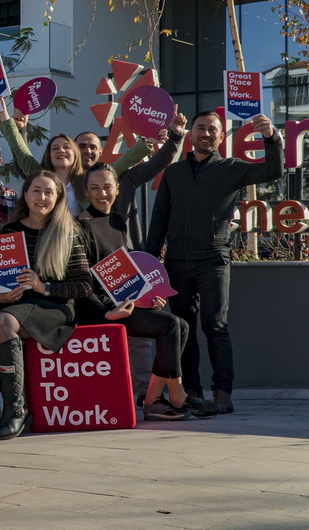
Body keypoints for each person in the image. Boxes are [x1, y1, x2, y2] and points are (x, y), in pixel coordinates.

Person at [145, 110, 284, 414]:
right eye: (201, 128)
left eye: (213, 130)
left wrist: (271, 138)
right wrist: (147, 264)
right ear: (191, 134)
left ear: (222, 137)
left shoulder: (231, 168)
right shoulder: (173, 173)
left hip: (213, 259)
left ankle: (222, 392)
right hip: (176, 263)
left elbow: (273, 171)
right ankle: (191, 391)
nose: (206, 134)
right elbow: (159, 221)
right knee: (182, 328)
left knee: (215, 326)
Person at [79, 161, 218, 420]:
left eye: (107, 187)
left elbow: (125, 270)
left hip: (124, 303)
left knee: (181, 325)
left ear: (117, 189)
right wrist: (107, 312)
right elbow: (83, 281)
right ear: (86, 191)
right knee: (169, 326)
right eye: (95, 188)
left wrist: (145, 296)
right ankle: (176, 396)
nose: (102, 194)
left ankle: (153, 399)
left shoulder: (117, 221)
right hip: (99, 309)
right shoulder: (80, 226)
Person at [0, 170, 93, 441]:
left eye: (49, 192)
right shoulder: (8, 232)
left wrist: (44, 286)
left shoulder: (68, 232)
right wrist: (0, 296)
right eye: (36, 191)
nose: (42, 197)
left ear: (58, 197)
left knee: (2, 322)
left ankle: (16, 410)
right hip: (15, 305)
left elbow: (84, 285)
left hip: (53, 306)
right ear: (25, 195)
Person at [43, 134, 87, 216]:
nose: (61, 150)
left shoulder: (87, 181)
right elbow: (21, 152)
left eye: (66, 147)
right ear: (49, 155)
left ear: (75, 153)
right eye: (55, 148)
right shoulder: (41, 181)